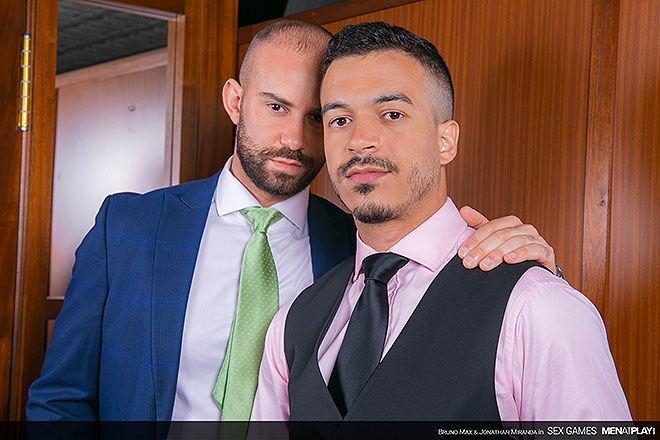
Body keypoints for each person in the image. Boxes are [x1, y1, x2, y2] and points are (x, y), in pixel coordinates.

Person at [27, 20, 559, 422]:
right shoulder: (127, 227)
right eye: (276, 107)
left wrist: (528, 274)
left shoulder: (362, 247)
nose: (294, 139)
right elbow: (61, 399)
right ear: (235, 101)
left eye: (317, 118)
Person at [251, 22, 631, 422]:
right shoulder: (290, 326)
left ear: (445, 141)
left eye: (392, 114)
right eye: (340, 120)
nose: (359, 140)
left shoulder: (536, 307)